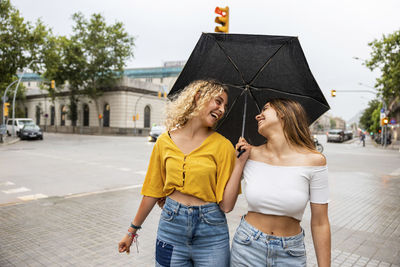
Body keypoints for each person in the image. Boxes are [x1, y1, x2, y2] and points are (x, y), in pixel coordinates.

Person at [118, 80, 242, 267]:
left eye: (225, 105)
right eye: (218, 101)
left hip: (212, 233)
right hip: (171, 228)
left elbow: (226, 206)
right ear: (198, 97)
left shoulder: (223, 146)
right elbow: (153, 190)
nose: (222, 109)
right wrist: (131, 231)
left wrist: (239, 164)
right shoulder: (164, 141)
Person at [228, 99, 331, 267]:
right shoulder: (248, 154)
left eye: (265, 109)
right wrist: (238, 163)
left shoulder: (315, 161)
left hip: (290, 253)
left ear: (283, 113)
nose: (257, 115)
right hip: (247, 247)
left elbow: (320, 222)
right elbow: (226, 205)